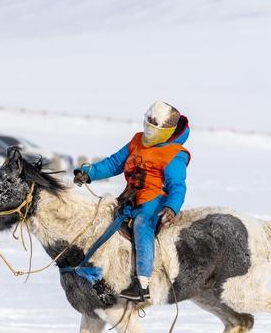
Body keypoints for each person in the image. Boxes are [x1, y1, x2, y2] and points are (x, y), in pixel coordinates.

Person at [73, 101, 190, 301]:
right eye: (148, 124)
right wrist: (89, 172)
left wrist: (171, 207)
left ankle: (142, 285)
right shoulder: (137, 140)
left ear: (166, 131)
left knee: (142, 225)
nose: (148, 130)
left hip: (152, 202)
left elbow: (177, 186)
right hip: (129, 198)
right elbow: (114, 163)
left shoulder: (174, 154)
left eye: (154, 127)